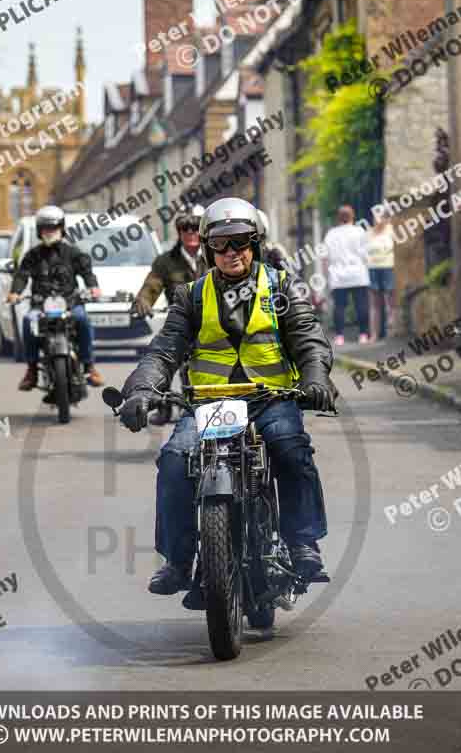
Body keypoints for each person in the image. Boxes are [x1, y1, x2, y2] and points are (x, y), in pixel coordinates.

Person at [119, 197, 336, 596]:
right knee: (173, 460)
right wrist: (141, 391)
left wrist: (316, 378)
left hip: (271, 398)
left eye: (240, 241)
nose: (231, 251)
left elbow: (308, 339)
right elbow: (164, 350)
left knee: (289, 448)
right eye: (220, 243)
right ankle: (179, 560)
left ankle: (302, 541)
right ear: (207, 248)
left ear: (255, 242)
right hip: (211, 403)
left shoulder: (282, 286)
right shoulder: (191, 295)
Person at [7, 205, 104, 390]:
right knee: (28, 322)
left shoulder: (74, 253)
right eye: (46, 228)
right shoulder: (32, 256)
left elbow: (87, 272)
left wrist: (94, 288)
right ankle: (32, 370)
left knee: (82, 319)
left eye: (54, 228)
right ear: (39, 230)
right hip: (40, 306)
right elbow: (21, 275)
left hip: (70, 303)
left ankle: (90, 366)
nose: (50, 232)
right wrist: (15, 293)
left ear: (62, 228)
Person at [132, 204, 207, 424]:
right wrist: (143, 301)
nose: (191, 232)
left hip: (216, 322)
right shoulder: (165, 261)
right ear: (179, 231)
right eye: (185, 227)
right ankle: (162, 405)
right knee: (160, 354)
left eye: (196, 227)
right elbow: (152, 286)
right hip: (180, 323)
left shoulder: (218, 255)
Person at [322, 205, 370, 346]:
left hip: (338, 276)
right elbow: (366, 254)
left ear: (338, 218)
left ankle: (339, 336)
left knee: (339, 307)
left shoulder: (331, 234)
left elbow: (325, 257)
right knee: (361, 305)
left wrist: (326, 276)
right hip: (358, 274)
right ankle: (363, 334)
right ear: (352, 216)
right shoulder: (360, 231)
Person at [366, 213, 395, 342]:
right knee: (374, 303)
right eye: (375, 217)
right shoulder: (368, 233)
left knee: (389, 300)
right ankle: (374, 334)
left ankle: (391, 333)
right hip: (372, 268)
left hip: (388, 267)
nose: (378, 220)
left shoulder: (391, 229)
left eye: (381, 216)